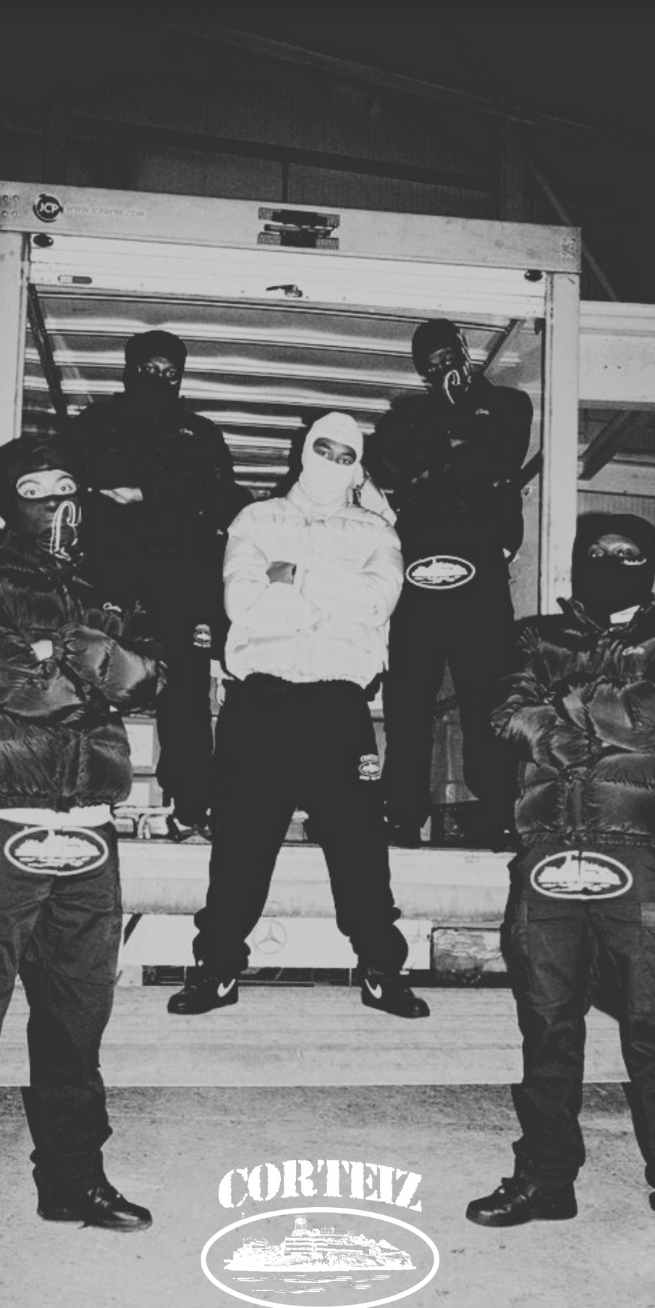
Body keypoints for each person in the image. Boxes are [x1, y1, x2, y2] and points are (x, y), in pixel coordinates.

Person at [0, 435, 164, 1286]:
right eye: (35, 488)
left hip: (88, 829)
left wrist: (63, 654)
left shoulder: (107, 584)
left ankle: (73, 1179)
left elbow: (147, 679)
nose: (55, 502)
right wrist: (88, 663)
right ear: (7, 499)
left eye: (66, 485)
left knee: (78, 1018)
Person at [467, 513, 655, 1284]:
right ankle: (546, 1180)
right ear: (578, 560)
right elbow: (503, 715)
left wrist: (561, 703)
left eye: (629, 556)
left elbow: (654, 718)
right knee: (547, 1027)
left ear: (652, 565)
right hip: (547, 847)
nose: (612, 563)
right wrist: (592, 720)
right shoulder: (532, 635)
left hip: (640, 852)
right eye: (598, 554)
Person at [167, 412, 428, 1021]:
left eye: (345, 455)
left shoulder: (377, 531)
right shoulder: (256, 520)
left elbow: (376, 602)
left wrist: (294, 577)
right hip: (260, 701)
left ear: (357, 466)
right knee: (240, 844)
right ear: (303, 450)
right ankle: (217, 968)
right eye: (323, 449)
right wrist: (331, 597)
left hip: (340, 705)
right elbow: (244, 604)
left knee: (360, 846)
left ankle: (382, 970)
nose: (331, 463)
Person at [65, 329, 247, 842]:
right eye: (149, 371)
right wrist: (170, 494)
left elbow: (223, 496)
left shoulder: (200, 433)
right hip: (108, 575)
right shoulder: (96, 424)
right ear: (130, 372)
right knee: (86, 681)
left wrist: (145, 492)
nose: (160, 380)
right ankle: (76, 796)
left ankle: (192, 806)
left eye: (170, 373)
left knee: (185, 695)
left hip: (180, 581)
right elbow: (77, 481)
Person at [366, 318, 532, 851]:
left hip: (479, 567)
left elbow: (501, 457)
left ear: (464, 350)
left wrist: (439, 455)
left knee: (488, 697)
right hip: (418, 567)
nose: (441, 368)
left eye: (447, 356)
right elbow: (387, 467)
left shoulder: (508, 403)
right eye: (430, 363)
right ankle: (402, 815)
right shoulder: (407, 414)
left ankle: (501, 814)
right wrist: (453, 449)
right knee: (408, 700)